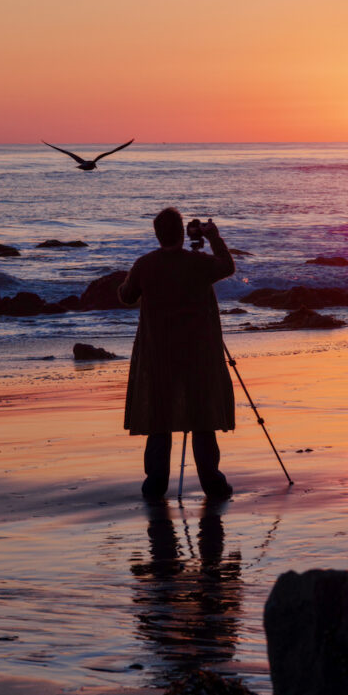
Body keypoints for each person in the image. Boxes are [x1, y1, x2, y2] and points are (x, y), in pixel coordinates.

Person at [118, 208, 235, 501]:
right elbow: (227, 266)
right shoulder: (197, 262)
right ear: (183, 232)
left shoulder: (145, 264)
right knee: (201, 418)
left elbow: (126, 295)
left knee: (159, 419)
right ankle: (212, 483)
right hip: (198, 352)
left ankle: (155, 486)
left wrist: (131, 278)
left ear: (157, 234)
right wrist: (213, 237)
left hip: (158, 354)